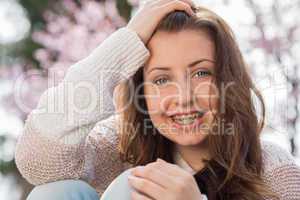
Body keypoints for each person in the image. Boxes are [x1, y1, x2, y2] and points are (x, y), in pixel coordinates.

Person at [15, 0, 300, 200]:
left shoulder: (275, 170)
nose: (184, 97)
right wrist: (129, 38)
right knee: (54, 193)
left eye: (202, 73)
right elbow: (38, 161)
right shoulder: (118, 146)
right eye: (162, 80)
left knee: (138, 188)